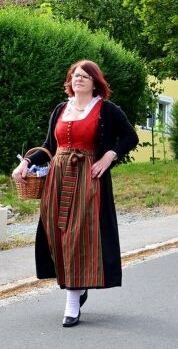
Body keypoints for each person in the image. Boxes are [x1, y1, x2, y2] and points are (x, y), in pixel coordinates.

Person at [11, 60, 138, 328]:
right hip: (58, 177)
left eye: (85, 76)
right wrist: (25, 162)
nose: (78, 79)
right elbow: (48, 146)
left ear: (95, 82)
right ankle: (77, 286)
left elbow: (130, 137)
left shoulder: (106, 109)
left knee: (78, 235)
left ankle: (71, 302)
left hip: (89, 178)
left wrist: (109, 157)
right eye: (75, 75)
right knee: (57, 233)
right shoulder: (61, 108)